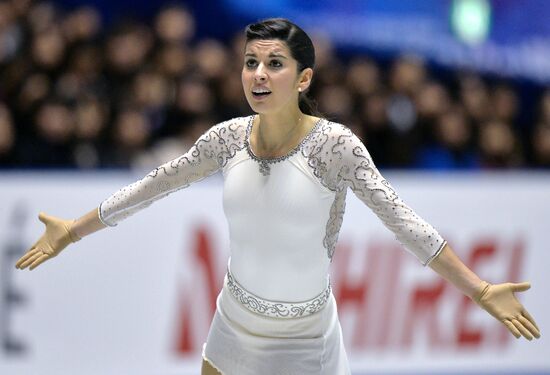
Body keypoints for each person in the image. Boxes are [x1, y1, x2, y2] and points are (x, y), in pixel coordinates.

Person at [15, 18, 540, 375]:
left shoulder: (335, 145)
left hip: (307, 339)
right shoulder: (225, 138)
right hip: (233, 323)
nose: (258, 74)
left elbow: (405, 224)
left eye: (274, 63)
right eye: (250, 62)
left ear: (304, 76)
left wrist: (478, 289)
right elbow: (150, 188)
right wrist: (73, 231)